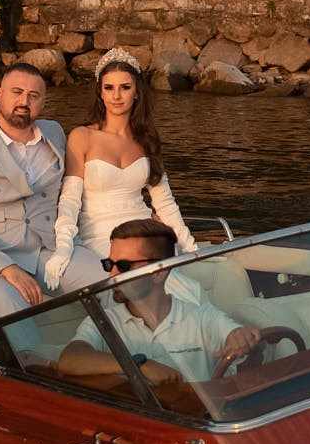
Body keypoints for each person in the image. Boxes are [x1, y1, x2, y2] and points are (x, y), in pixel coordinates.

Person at [0, 62, 99, 318]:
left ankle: (98, 343)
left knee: (110, 282)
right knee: (9, 300)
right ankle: (27, 348)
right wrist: (6, 268)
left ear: (43, 102)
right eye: (17, 92)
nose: (24, 101)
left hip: (46, 249)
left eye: (33, 95)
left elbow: (76, 187)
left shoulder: (54, 133)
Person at [42, 48, 198, 290]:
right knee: (139, 285)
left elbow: (165, 202)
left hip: (144, 230)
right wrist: (63, 246)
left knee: (185, 287)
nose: (116, 96)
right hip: (99, 235)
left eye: (125, 87)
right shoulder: (82, 137)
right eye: (109, 88)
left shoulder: (147, 138)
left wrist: (190, 249)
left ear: (137, 92)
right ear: (100, 92)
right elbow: (70, 201)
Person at [57, 219, 258, 383]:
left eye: (124, 266)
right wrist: (141, 365)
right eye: (109, 264)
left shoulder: (201, 317)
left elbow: (234, 336)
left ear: (159, 273)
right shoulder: (105, 321)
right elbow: (69, 359)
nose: (112, 275)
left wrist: (242, 337)